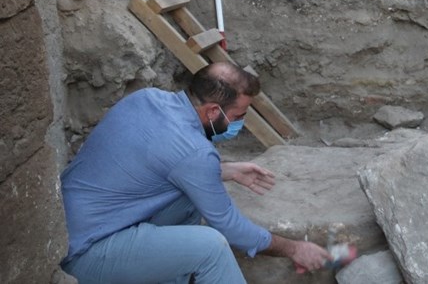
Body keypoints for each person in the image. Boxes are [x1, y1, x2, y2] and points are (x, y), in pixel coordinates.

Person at [60, 62, 336, 283]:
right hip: (86, 254)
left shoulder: (146, 98)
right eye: (238, 116)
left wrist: (223, 170)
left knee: (187, 199)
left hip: (71, 227)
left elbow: (160, 161)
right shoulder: (194, 152)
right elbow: (230, 227)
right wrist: (295, 249)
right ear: (213, 110)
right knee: (210, 247)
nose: (240, 122)